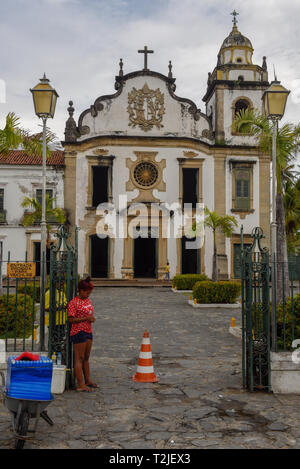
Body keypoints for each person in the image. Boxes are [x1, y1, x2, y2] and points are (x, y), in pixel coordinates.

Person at [68, 277, 98, 392]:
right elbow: (71, 319)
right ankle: (80, 384)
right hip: (78, 332)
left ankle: (88, 380)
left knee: (86, 358)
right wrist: (86, 318)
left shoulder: (87, 300)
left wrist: (91, 319)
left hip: (88, 330)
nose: (88, 294)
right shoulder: (73, 303)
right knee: (79, 358)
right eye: (86, 292)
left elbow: (89, 313)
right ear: (80, 290)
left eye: (89, 292)